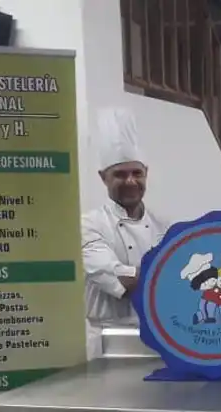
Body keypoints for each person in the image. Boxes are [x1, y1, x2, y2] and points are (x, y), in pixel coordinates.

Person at [81, 107, 167, 360]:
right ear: (103, 178)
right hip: (106, 340)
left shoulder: (164, 226)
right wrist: (166, 274)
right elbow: (114, 277)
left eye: (136, 173)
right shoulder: (89, 224)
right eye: (120, 174)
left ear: (146, 174)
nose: (130, 181)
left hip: (159, 338)